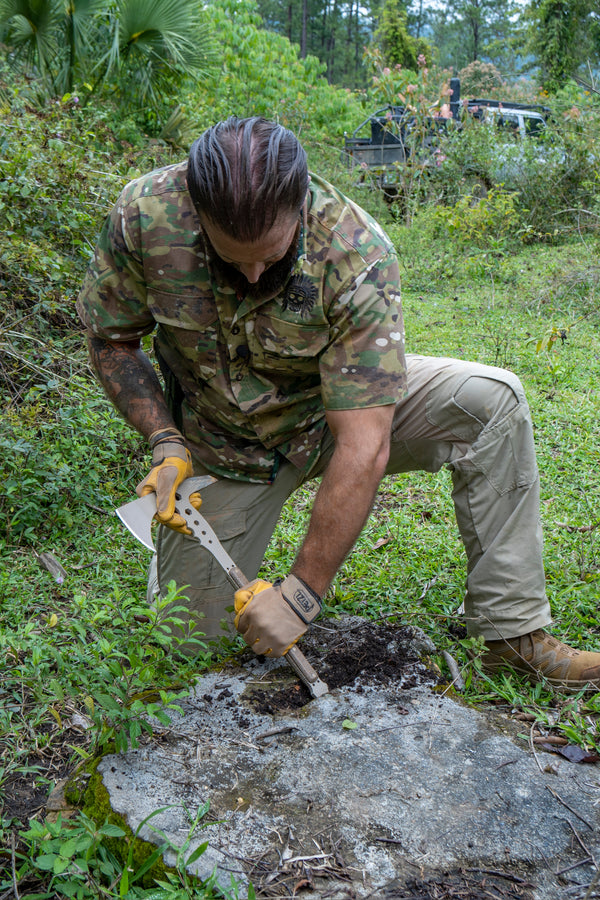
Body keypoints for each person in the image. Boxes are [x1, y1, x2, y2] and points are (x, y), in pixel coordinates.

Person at [77, 116, 600, 689]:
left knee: (490, 400)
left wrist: (300, 596)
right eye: (233, 259)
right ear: (196, 214)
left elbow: (364, 442)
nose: (252, 273)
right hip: (221, 443)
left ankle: (514, 635)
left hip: (335, 411)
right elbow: (113, 338)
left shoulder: (355, 251)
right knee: (186, 644)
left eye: (269, 257)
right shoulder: (146, 215)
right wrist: (166, 439)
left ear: (300, 206)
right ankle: (176, 568)